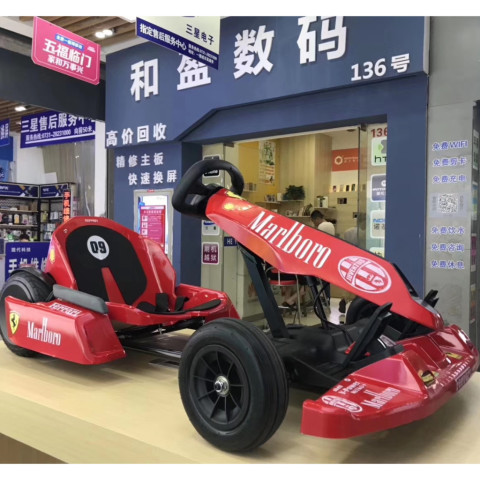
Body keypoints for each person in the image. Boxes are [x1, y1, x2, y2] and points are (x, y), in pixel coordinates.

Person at [310, 210, 335, 303]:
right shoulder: (330, 224)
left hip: (322, 255)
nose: (314, 224)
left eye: (313, 221)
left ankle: (324, 297)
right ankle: (327, 297)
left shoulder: (321, 226)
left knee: (322, 279)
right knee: (326, 279)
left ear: (317, 219)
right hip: (329, 254)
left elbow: (317, 240)